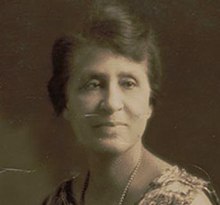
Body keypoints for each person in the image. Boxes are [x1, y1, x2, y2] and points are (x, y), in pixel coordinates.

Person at [43, 1, 219, 204]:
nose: (111, 104)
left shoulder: (183, 202)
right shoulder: (58, 200)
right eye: (93, 84)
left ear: (149, 103)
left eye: (128, 83)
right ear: (65, 102)